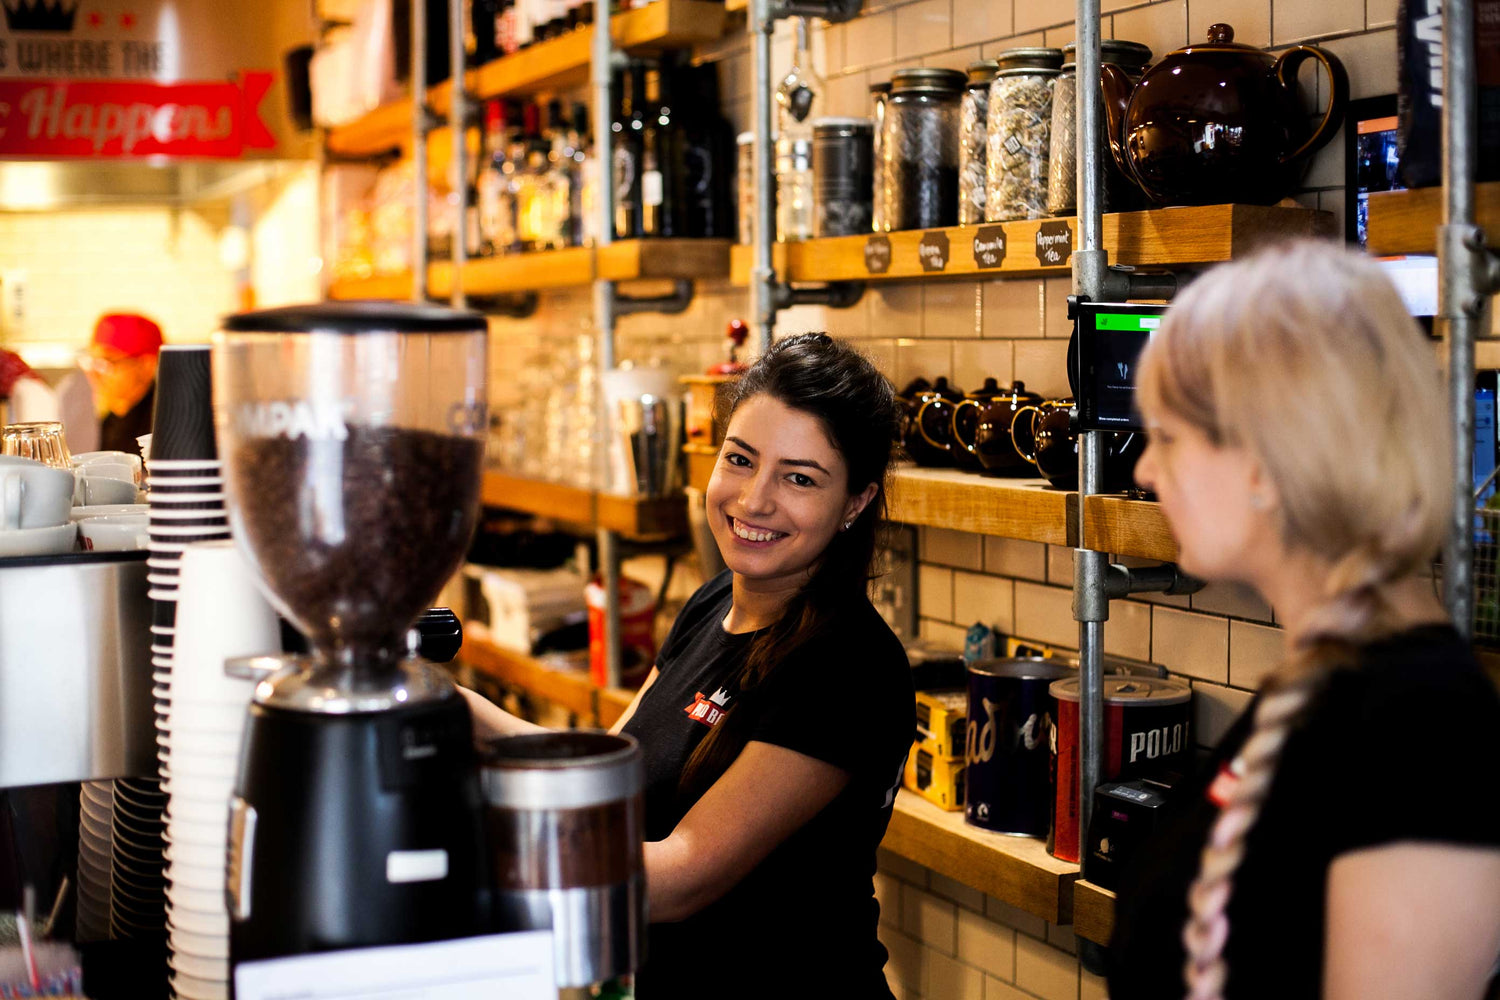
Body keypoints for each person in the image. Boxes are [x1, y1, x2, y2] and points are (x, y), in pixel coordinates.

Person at [463, 333, 914, 997]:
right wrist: (450, 711)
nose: (754, 500)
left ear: (856, 503)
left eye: (799, 478)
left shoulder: (846, 667)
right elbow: (607, 772)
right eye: (740, 460)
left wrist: (470, 848)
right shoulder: (711, 604)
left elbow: (679, 878)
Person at [1108, 241, 1500, 1000]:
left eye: (1167, 436)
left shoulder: (1421, 729)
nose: (1144, 471)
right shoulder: (1327, 679)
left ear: (1264, 458)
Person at [77, 312, 162, 456]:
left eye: (108, 362)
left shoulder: (161, 427)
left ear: (146, 365)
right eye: (93, 361)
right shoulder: (102, 421)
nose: (95, 373)